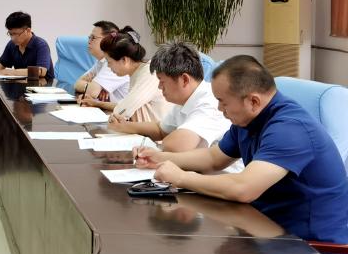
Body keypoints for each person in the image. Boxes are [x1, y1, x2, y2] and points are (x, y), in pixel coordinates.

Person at [133, 55, 348, 243]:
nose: (219, 108)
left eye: (223, 102)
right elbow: (214, 158)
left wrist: (181, 178)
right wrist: (160, 158)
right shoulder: (249, 119)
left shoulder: (290, 129)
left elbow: (243, 188)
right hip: (268, 227)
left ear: (253, 101)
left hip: (310, 249)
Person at [108, 42, 230, 152]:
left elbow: (176, 146)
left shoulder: (209, 102)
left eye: (162, 81)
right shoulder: (185, 100)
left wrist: (155, 147)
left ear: (184, 80)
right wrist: (124, 126)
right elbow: (160, 130)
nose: (159, 86)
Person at [83, 27, 170, 123]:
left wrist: (102, 106)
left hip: (155, 132)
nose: (108, 66)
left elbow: (122, 111)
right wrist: (96, 103)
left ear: (124, 60)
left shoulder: (149, 73)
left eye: (109, 62)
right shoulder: (138, 72)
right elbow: (123, 105)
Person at [73, 20, 129, 109]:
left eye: (93, 38)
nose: (89, 41)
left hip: (123, 114)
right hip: (110, 110)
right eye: (89, 37)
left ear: (107, 40)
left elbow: (92, 92)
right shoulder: (101, 61)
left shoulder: (115, 62)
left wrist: (92, 86)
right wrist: (92, 86)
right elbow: (76, 83)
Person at [0, 12, 54, 79]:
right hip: (21, 84)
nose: (12, 38)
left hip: (43, 85)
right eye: (10, 34)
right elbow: (1, 64)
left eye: (16, 34)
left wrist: (12, 72)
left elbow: (41, 71)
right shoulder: (11, 45)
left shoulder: (41, 45)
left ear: (28, 31)